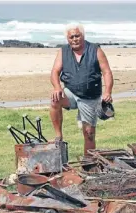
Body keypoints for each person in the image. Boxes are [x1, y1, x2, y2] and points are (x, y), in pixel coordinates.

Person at [49, 23, 114, 155]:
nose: (74, 39)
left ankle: (89, 163)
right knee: (55, 99)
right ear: (67, 39)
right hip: (71, 92)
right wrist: (57, 87)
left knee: (89, 133)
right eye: (71, 37)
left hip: (90, 96)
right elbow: (54, 72)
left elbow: (107, 72)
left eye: (77, 36)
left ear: (82, 36)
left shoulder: (95, 50)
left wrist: (108, 91)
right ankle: (58, 135)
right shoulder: (63, 51)